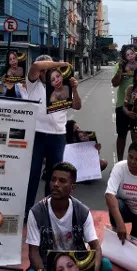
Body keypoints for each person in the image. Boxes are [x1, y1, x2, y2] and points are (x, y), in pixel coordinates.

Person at [25, 162, 112, 271]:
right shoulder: (37, 212)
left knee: (106, 265)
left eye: (62, 181)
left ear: (72, 187)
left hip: (75, 264)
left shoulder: (82, 211)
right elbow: (33, 252)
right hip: (47, 265)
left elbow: (96, 247)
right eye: (53, 179)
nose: (55, 184)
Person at [24, 56, 82, 219]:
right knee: (33, 174)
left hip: (58, 136)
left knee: (53, 177)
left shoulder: (61, 88)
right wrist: (62, 64)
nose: (48, 74)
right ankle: (27, 210)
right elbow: (35, 64)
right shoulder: (33, 85)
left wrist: (75, 89)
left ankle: (48, 212)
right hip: (37, 134)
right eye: (46, 71)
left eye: (51, 72)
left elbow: (77, 106)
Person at [111, 44, 137, 162]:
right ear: (124, 56)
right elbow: (114, 83)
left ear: (136, 53)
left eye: (132, 53)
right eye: (127, 54)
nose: (131, 56)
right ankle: (119, 163)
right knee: (121, 135)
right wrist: (120, 69)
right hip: (122, 105)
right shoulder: (119, 65)